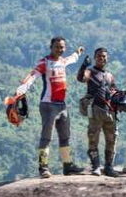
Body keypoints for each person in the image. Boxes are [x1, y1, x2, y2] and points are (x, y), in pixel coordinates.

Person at [16, 36, 86, 178]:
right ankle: (43, 168)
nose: (60, 50)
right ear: (51, 47)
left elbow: (72, 58)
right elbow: (32, 75)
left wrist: (77, 52)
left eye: (62, 47)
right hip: (48, 105)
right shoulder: (45, 62)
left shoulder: (62, 61)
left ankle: (67, 165)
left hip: (62, 105)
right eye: (57, 47)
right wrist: (21, 89)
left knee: (65, 136)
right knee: (46, 137)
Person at [76, 48, 119, 177]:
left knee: (111, 139)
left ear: (107, 58)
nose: (102, 58)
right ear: (95, 58)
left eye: (104, 56)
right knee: (93, 138)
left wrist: (119, 99)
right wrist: (84, 66)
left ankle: (109, 167)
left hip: (110, 111)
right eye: (99, 56)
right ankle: (95, 166)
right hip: (95, 109)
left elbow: (114, 90)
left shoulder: (110, 75)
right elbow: (81, 78)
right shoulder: (90, 72)